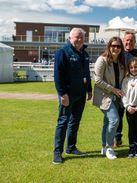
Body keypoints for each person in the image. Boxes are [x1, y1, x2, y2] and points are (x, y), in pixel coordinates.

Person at [53, 28, 92, 164]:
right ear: (70, 38)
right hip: (68, 95)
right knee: (63, 122)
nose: (79, 39)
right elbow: (58, 76)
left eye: (82, 37)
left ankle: (71, 147)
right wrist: (62, 94)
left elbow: (87, 74)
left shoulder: (85, 54)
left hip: (81, 94)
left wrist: (89, 90)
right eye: (77, 37)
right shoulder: (62, 53)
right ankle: (57, 152)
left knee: (75, 121)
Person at [92, 37, 125, 160]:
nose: (116, 48)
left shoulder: (121, 63)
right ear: (109, 46)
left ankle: (104, 147)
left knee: (107, 122)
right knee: (114, 120)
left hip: (116, 97)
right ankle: (109, 147)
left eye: (118, 46)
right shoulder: (102, 60)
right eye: (113, 46)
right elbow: (97, 80)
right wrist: (113, 90)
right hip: (104, 96)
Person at [114, 31, 137, 147]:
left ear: (134, 42)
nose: (129, 42)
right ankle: (117, 138)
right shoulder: (118, 53)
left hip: (134, 91)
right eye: (127, 40)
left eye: (131, 40)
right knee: (118, 116)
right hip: (120, 90)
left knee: (132, 117)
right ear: (123, 41)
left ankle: (134, 140)